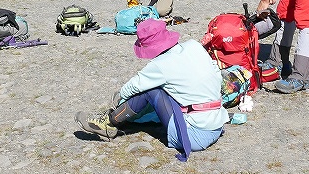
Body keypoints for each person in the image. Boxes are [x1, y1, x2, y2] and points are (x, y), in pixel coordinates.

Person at [75, 18, 226, 161]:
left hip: (194, 135)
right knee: (164, 87)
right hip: (217, 125)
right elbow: (216, 72)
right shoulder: (194, 46)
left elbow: (133, 86)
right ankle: (128, 116)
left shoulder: (161, 65)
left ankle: (109, 122)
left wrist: (120, 100)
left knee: (150, 90)